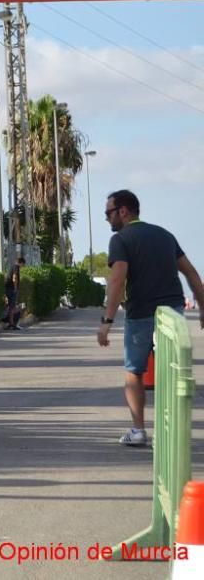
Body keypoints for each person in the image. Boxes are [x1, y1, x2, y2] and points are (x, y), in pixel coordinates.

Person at [97, 189, 204, 446]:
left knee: (134, 371)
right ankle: (169, 431)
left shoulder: (121, 240)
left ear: (123, 211)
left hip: (141, 314)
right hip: (173, 315)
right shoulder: (165, 235)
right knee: (170, 371)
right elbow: (191, 274)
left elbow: (117, 280)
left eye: (108, 213)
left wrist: (107, 322)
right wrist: (202, 309)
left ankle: (138, 431)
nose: (107, 219)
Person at [4, 256, 25, 330]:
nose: (22, 266)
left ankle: (11, 323)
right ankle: (12, 324)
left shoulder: (12, 266)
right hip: (12, 289)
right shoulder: (16, 267)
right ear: (21, 263)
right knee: (13, 307)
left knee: (11, 306)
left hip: (8, 288)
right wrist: (15, 288)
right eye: (23, 264)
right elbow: (14, 277)